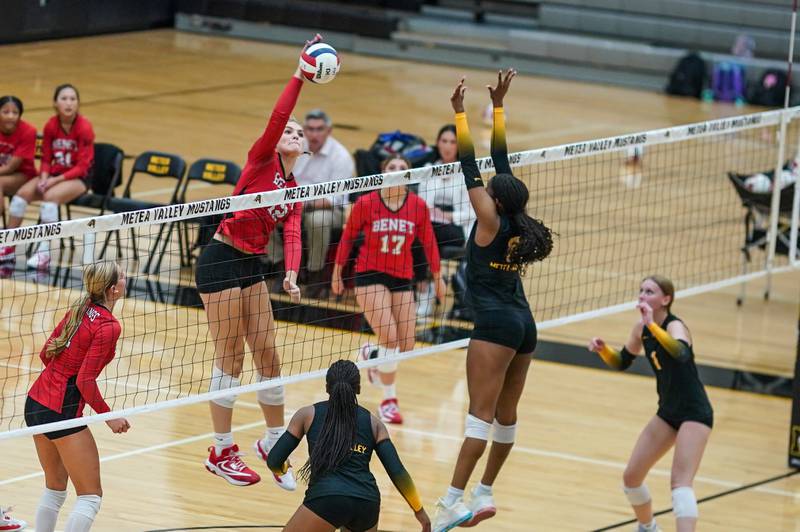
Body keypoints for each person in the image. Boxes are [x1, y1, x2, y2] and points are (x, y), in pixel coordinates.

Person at [194, 35, 322, 490]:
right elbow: (278, 115)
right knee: (229, 355)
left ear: (304, 152)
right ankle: (221, 450)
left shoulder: (293, 191)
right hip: (220, 258)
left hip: (252, 266)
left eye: (299, 136)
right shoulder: (261, 159)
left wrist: (290, 270)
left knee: (268, 354)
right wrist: (299, 74)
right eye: (291, 131)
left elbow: (290, 231)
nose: (293, 133)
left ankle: (272, 441)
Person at [432, 70, 554, 532]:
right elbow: (500, 163)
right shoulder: (519, 220)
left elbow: (471, 166)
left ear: (494, 202)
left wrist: (461, 115)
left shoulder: (488, 219)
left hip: (497, 327)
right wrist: (498, 108)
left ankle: (451, 500)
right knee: (506, 417)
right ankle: (484, 491)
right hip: (525, 325)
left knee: (479, 417)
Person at [588, 275, 713, 532]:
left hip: (694, 413)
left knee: (680, 483)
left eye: (650, 291)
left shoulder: (674, 326)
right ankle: (648, 527)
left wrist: (652, 326)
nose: (642, 295)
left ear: (665, 300)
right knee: (631, 478)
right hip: (667, 412)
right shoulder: (640, 329)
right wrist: (603, 350)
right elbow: (622, 361)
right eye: (641, 290)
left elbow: (681, 354)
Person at [331, 156, 445, 424]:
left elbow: (429, 244)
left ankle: (371, 354)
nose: (397, 171)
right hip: (369, 274)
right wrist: (337, 272)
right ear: (383, 173)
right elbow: (347, 237)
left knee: (405, 344)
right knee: (391, 338)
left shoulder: (417, 206)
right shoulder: (366, 203)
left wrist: (438, 278)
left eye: (402, 169)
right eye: (391, 168)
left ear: (409, 175)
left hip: (401, 276)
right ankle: (389, 401)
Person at [24, 261, 129, 532]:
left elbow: (46, 353)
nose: (127, 278)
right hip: (60, 410)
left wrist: (59, 378)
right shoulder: (108, 326)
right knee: (90, 496)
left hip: (35, 401)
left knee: (55, 489)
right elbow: (85, 380)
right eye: (123, 276)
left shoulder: (79, 308)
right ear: (114, 289)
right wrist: (110, 416)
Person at [265, 359, 431, 532]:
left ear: (327, 387)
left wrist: (283, 468)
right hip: (367, 503)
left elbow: (274, 461)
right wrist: (420, 512)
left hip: (328, 499)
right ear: (358, 389)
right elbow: (398, 472)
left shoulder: (307, 414)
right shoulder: (375, 424)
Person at [0, 84, 94, 270]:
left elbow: (82, 166)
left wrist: (53, 181)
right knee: (20, 197)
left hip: (79, 178)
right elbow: (45, 158)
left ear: (78, 103)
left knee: (49, 199)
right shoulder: (51, 125)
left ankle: (44, 253)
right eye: (64, 99)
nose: (69, 103)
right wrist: (43, 177)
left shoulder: (84, 127)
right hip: (53, 175)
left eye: (73, 99)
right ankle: (8, 248)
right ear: (55, 103)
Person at [271, 109, 354, 298]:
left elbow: (336, 199)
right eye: (309, 129)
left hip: (329, 210)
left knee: (318, 220)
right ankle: (280, 269)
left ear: (329, 131)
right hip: (294, 203)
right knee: (263, 213)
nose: (313, 134)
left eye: (319, 129)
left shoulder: (341, 157)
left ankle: (316, 276)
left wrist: (302, 204)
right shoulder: (296, 147)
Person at [414, 124, 475, 318]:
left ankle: (426, 289)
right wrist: (433, 214)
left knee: (429, 235)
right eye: (444, 141)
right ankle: (427, 287)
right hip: (431, 225)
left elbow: (471, 212)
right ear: (438, 143)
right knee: (427, 233)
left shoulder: (467, 172)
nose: (448, 146)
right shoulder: (427, 170)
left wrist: (449, 216)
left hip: (457, 229)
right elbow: (422, 205)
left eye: (453, 142)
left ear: (459, 146)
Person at [0, 95, 37, 225]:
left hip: (23, 175)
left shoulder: (28, 131)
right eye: (5, 112)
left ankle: (7, 242)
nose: (10, 116)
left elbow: (11, 167)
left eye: (15, 112)